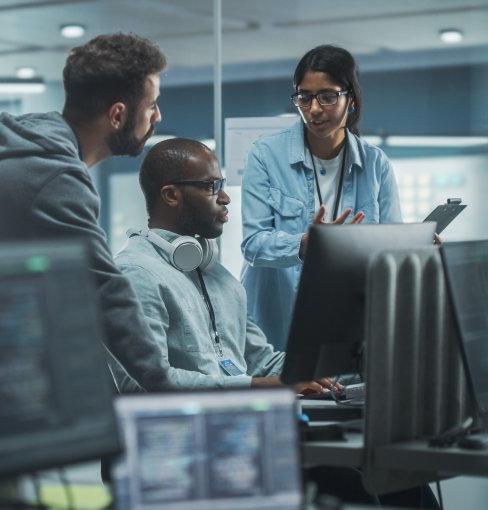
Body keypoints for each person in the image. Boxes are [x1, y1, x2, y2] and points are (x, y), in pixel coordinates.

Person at [0, 33, 172, 391]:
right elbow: (107, 294)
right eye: (151, 105)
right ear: (118, 114)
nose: (158, 115)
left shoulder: (28, 144)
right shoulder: (54, 178)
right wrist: (165, 391)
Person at [112, 137, 338, 394]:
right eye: (212, 186)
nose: (225, 198)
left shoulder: (218, 276)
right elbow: (140, 383)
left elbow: (262, 363)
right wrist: (260, 385)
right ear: (171, 195)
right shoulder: (136, 274)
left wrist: (331, 368)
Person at [241, 45, 402, 350]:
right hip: (278, 327)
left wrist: (416, 248)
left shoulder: (375, 163)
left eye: (327, 96)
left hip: (348, 323)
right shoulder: (265, 155)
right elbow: (253, 245)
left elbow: (389, 247)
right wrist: (303, 245)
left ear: (350, 98)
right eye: (304, 97)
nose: (314, 109)